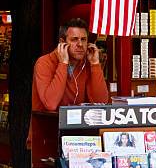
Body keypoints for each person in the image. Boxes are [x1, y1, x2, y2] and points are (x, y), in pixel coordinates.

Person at [29, 18, 109, 147]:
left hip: (80, 138)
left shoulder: (87, 62)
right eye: (74, 39)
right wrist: (63, 64)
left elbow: (101, 102)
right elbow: (51, 103)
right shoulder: (44, 63)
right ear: (62, 43)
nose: (80, 44)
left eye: (83, 39)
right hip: (47, 137)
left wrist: (95, 64)